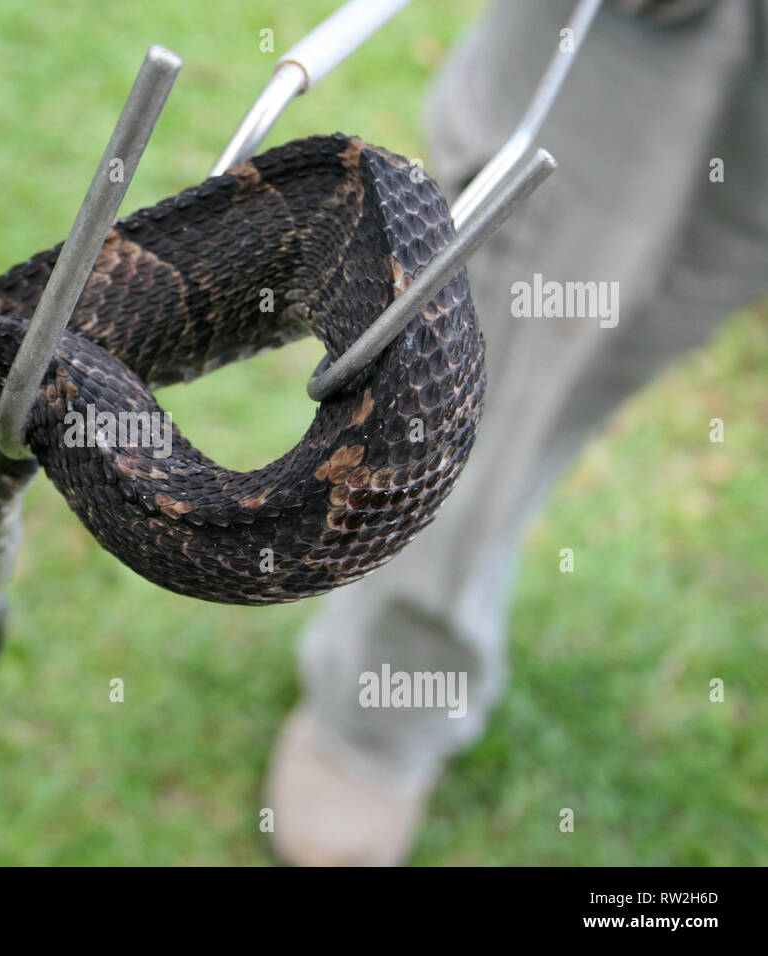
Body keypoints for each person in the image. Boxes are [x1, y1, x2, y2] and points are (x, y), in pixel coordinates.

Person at [265, 0, 768, 866]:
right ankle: (378, 713)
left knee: (673, 292)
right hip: (618, 42)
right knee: (500, 346)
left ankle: (476, 554)